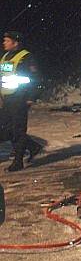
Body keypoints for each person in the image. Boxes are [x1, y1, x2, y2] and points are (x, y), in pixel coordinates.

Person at [0, 31, 42, 171]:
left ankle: (18, 162)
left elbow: (34, 79)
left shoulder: (26, 57)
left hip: (20, 98)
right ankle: (32, 146)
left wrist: (31, 97)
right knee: (5, 130)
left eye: (7, 40)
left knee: (18, 130)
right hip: (7, 98)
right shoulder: (5, 56)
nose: (4, 43)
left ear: (15, 43)